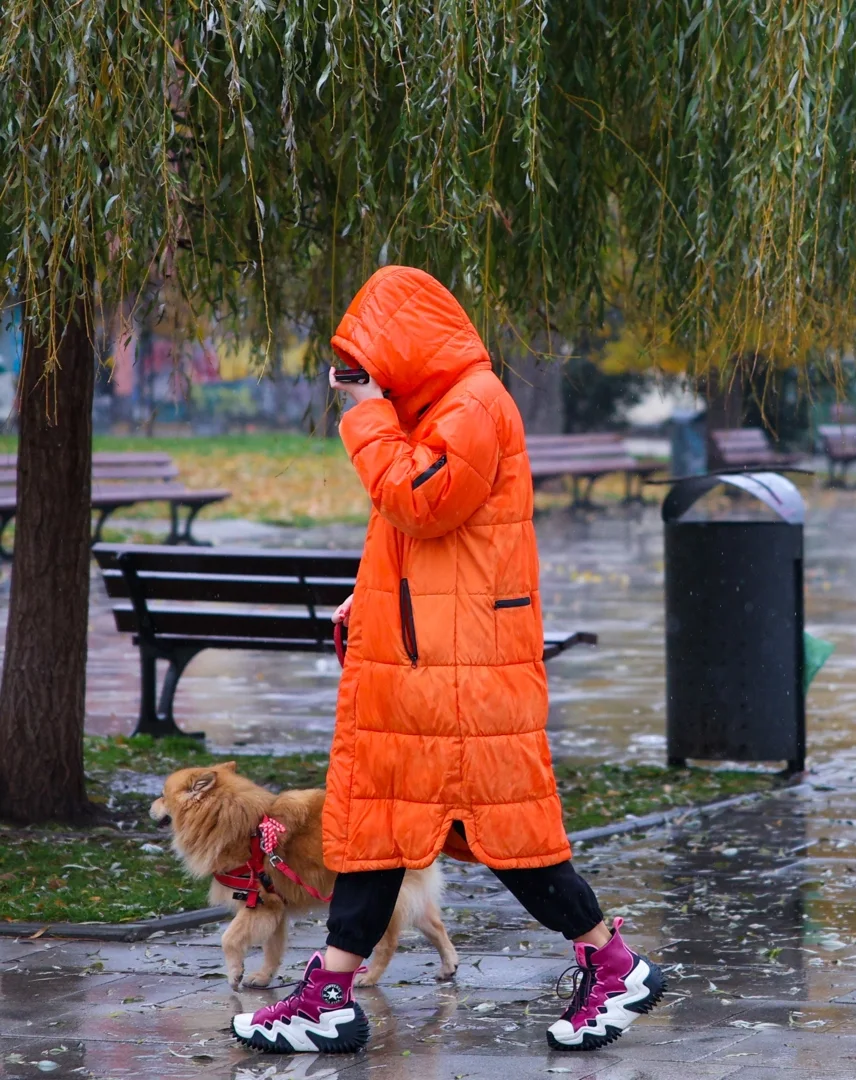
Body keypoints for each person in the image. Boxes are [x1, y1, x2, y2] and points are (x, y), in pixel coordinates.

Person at [232, 267, 666, 1055]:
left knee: (510, 842)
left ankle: (615, 964)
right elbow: (425, 543)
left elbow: (422, 500)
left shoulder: (472, 405)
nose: (361, 382)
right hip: (429, 667)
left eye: (369, 361)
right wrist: (371, 597)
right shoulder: (443, 408)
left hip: (462, 678)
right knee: (378, 826)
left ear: (406, 347)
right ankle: (328, 994)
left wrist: (366, 416)